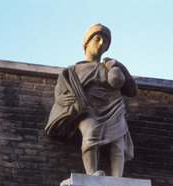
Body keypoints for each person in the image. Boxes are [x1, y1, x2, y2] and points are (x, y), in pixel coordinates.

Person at [45, 24, 138, 177]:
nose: (101, 43)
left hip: (114, 107)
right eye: (98, 39)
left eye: (106, 42)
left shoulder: (110, 68)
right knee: (90, 135)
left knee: (118, 145)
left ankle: (117, 179)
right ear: (87, 42)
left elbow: (132, 91)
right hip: (89, 108)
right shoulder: (73, 70)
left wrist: (120, 66)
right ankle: (91, 174)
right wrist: (64, 99)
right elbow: (60, 92)